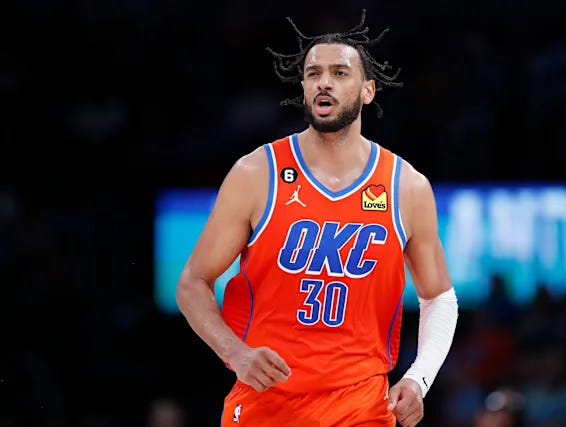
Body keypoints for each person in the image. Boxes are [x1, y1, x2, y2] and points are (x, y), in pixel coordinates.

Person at [176, 9, 458, 427]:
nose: (324, 82)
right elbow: (192, 283)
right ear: (304, 88)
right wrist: (235, 353)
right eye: (313, 74)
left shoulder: (406, 187)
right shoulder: (257, 173)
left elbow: (439, 298)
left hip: (360, 405)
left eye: (339, 73)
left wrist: (419, 379)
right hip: (267, 400)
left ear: (368, 91)